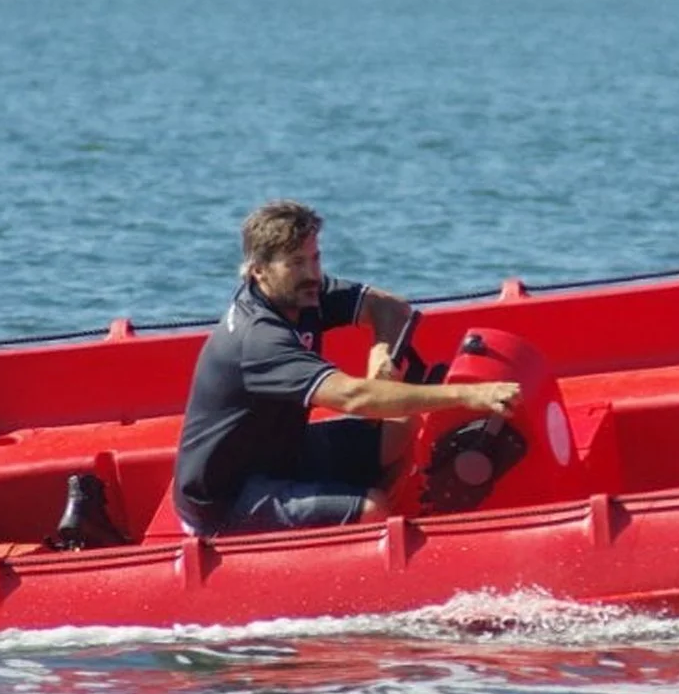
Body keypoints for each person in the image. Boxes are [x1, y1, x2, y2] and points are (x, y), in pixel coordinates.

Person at [171, 200, 521, 536]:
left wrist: (380, 354)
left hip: (279, 453)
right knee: (371, 508)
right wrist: (468, 394)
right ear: (259, 270)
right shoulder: (258, 340)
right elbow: (354, 397)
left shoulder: (303, 292)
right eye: (296, 262)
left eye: (315, 258)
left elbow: (391, 309)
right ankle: (371, 537)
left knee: (397, 430)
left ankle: (366, 522)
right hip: (226, 499)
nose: (312, 274)